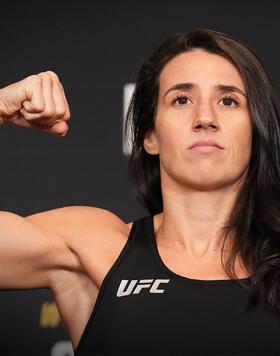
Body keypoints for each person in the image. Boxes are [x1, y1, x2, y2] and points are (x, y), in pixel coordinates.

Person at [1, 27, 280, 355]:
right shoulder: (97, 250)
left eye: (229, 100)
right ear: (150, 135)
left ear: (255, 128)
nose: (205, 117)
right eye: (181, 99)